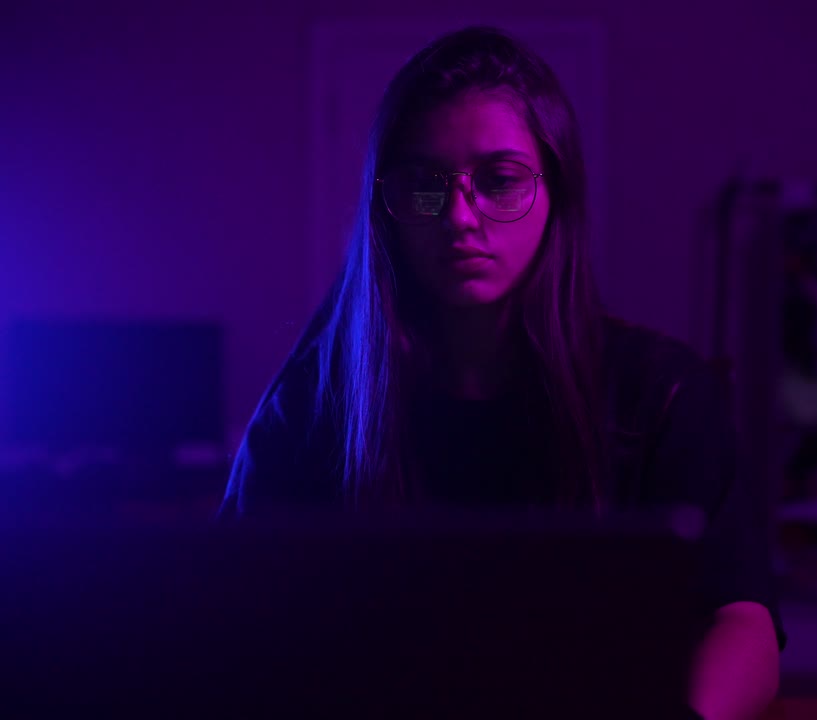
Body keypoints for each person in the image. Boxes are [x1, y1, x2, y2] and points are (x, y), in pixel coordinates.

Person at [219, 26, 782, 720]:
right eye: (424, 185)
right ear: (386, 207)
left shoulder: (658, 394)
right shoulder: (315, 406)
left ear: (557, 191)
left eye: (500, 180)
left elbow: (744, 621)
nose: (460, 217)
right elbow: (230, 615)